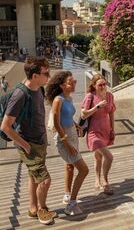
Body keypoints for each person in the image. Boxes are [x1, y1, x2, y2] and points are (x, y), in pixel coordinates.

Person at [0, 57, 56, 225]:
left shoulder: (38, 89)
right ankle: (42, 209)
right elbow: (5, 126)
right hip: (28, 145)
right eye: (46, 73)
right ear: (34, 76)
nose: (49, 75)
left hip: (39, 142)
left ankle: (33, 208)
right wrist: (25, 145)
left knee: (33, 177)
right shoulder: (20, 95)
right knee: (45, 180)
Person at [45, 71, 89, 215]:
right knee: (84, 170)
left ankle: (68, 196)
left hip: (71, 134)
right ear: (63, 85)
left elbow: (67, 116)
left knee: (71, 166)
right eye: (72, 81)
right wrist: (67, 143)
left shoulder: (68, 98)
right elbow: (57, 124)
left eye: (75, 81)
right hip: (64, 138)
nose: (75, 83)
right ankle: (71, 204)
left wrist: (77, 125)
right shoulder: (58, 100)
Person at [81, 74, 116, 195]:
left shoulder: (110, 96)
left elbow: (111, 113)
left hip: (105, 129)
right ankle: (105, 182)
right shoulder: (90, 96)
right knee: (109, 157)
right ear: (94, 86)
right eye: (100, 85)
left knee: (98, 156)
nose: (102, 86)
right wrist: (97, 106)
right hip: (93, 131)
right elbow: (83, 114)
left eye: (104, 84)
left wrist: (112, 129)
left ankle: (97, 180)